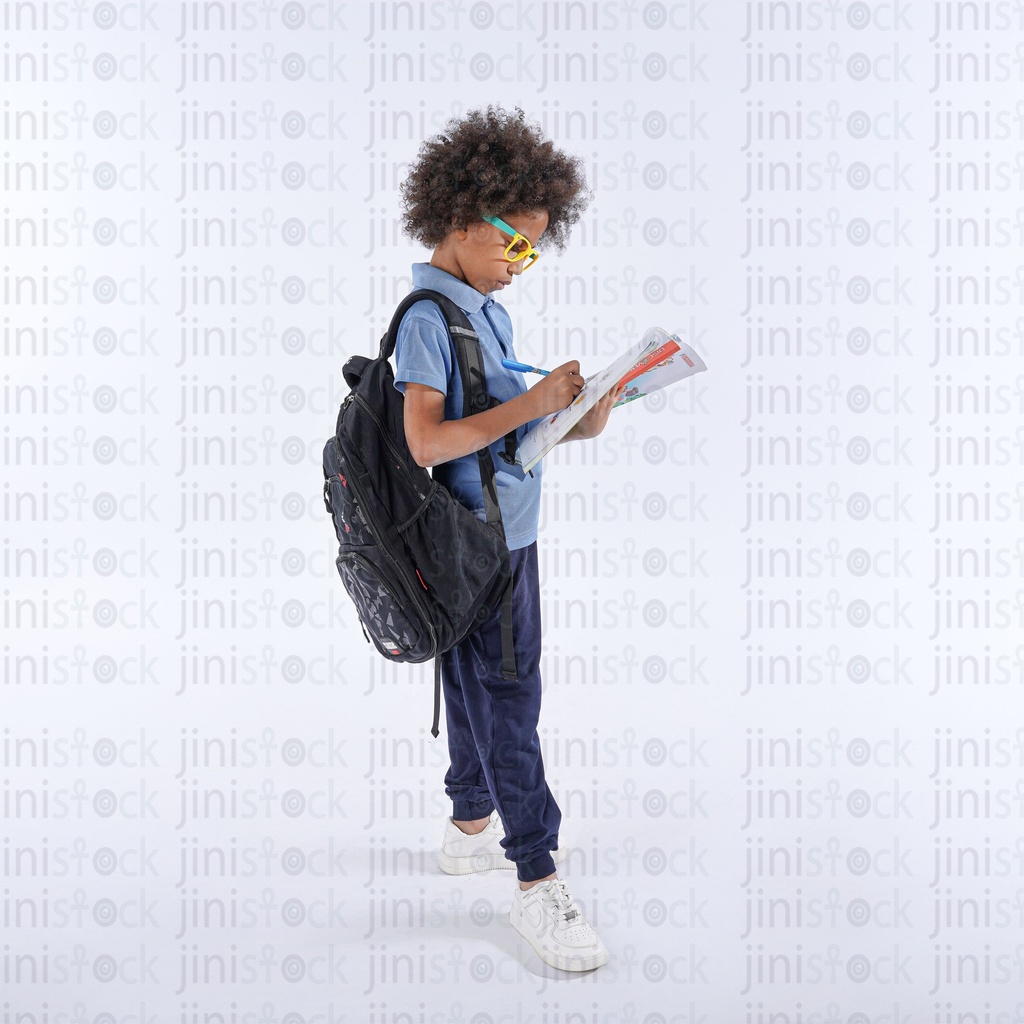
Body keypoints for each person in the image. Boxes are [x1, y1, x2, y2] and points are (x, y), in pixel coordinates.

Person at [392, 106, 623, 973]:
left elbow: (499, 439)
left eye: (535, 251)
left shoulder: (484, 311)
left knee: (476, 682)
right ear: (459, 218)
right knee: (510, 699)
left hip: (500, 536)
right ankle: (536, 878)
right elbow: (427, 442)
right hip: (473, 549)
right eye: (514, 245)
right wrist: (533, 404)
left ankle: (467, 828)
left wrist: (579, 418)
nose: (524, 264)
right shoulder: (427, 317)